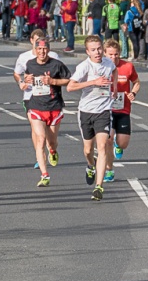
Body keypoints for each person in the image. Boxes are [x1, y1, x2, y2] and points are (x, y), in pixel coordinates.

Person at [66, 35, 116, 200]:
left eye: (99, 48)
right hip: (86, 111)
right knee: (88, 150)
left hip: (103, 111)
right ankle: (90, 165)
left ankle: (99, 187)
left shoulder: (109, 63)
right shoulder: (84, 67)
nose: (98, 52)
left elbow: (114, 71)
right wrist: (92, 82)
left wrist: (114, 88)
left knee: (102, 147)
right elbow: (70, 87)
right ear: (87, 52)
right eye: (93, 50)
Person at [20, 38, 70, 186]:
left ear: (48, 49)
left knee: (52, 142)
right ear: (35, 50)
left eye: (44, 49)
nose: (42, 52)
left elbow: (68, 80)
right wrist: (26, 79)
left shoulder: (56, 65)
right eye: (39, 49)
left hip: (54, 107)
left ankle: (53, 152)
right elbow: (27, 77)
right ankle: (45, 175)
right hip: (36, 107)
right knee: (40, 139)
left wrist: (53, 82)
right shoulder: (30, 64)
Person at [105, 39, 140, 180]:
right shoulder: (101, 67)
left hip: (123, 109)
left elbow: (136, 82)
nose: (114, 57)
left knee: (123, 143)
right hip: (106, 110)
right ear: (105, 54)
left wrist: (133, 93)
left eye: (116, 54)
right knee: (108, 138)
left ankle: (118, 146)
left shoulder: (128, 67)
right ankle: (109, 170)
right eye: (110, 55)